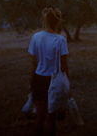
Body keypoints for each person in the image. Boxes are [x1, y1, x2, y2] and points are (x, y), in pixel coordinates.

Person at [28, 7, 69, 136]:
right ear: (58, 22)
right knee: (51, 118)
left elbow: (33, 63)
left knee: (39, 117)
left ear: (45, 20)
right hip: (54, 81)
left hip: (39, 78)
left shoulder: (36, 37)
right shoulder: (61, 39)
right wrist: (67, 84)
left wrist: (31, 81)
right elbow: (64, 65)